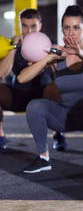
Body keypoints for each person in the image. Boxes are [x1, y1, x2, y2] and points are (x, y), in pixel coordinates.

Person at [17, 5, 83, 173]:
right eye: (67, 28)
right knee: (35, 105)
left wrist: (79, 52)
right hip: (65, 118)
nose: (71, 33)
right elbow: (22, 78)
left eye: (76, 28)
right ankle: (43, 158)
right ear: (62, 30)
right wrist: (49, 57)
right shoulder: (56, 57)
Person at [0, 9, 66, 151]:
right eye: (24, 26)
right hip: (19, 94)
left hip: (43, 93)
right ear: (19, 25)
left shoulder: (49, 45)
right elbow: (2, 73)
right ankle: (0, 136)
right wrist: (14, 48)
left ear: (40, 25)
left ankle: (58, 133)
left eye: (33, 26)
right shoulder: (13, 44)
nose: (29, 31)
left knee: (55, 87)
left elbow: (59, 76)